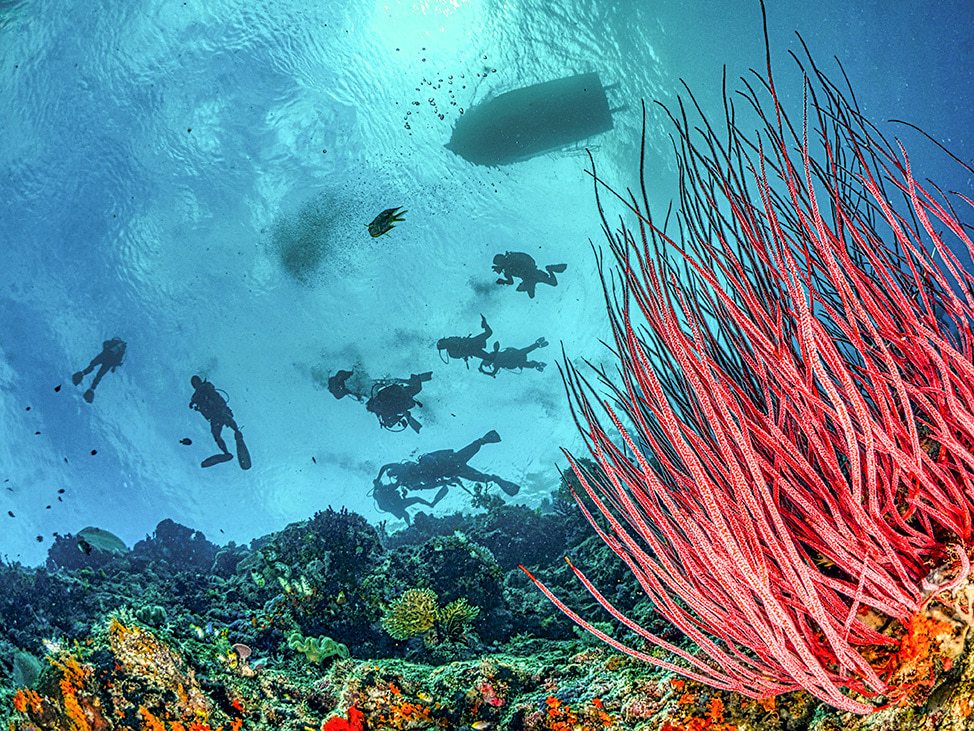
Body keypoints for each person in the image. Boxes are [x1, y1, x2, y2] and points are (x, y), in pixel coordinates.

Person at [372, 430, 519, 523]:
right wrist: (446, 482)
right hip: (453, 469)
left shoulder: (404, 470)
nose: (396, 478)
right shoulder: (409, 483)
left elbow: (385, 467)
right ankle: (496, 478)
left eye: (394, 475)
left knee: (473, 451)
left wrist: (378, 480)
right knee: (480, 475)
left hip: (451, 463)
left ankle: (485, 441)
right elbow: (430, 485)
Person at [189, 375, 251, 470]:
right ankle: (227, 451)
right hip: (216, 416)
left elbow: (203, 390)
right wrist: (193, 403)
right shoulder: (199, 393)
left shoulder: (205, 387)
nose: (195, 384)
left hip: (219, 412)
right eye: (194, 383)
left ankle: (236, 436)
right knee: (217, 436)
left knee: (222, 431)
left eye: (195, 382)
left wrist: (193, 402)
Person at [365, 371, 432, 433]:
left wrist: (403, 392)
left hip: (404, 395)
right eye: (376, 407)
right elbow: (389, 424)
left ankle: (415, 378)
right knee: (416, 391)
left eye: (376, 404)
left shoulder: (381, 396)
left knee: (417, 388)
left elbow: (393, 388)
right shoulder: (384, 414)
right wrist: (400, 419)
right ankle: (414, 379)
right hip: (404, 402)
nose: (377, 405)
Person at [492, 251, 567, 298]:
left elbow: (526, 259)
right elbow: (511, 282)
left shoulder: (511, 260)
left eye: (499, 264)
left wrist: (503, 281)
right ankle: (549, 269)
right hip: (530, 277)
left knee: (553, 283)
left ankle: (549, 269)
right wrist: (503, 281)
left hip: (533, 274)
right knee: (552, 284)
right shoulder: (507, 270)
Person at [72, 338, 126, 403]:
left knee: (93, 367)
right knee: (98, 374)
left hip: (104, 357)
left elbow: (105, 344)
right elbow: (118, 361)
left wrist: (106, 350)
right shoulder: (121, 351)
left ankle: (81, 376)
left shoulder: (116, 346)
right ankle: (90, 389)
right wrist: (114, 367)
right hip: (107, 362)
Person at [479, 337, 548, 377]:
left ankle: (536, 361)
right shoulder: (495, 361)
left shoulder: (495, 361)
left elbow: (493, 373)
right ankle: (536, 361)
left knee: (524, 357)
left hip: (514, 356)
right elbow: (493, 373)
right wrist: (483, 370)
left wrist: (484, 371)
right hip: (514, 357)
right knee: (525, 356)